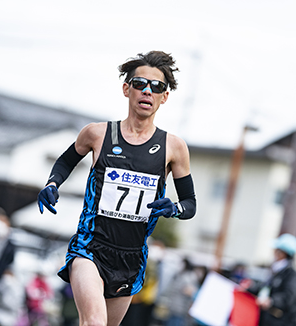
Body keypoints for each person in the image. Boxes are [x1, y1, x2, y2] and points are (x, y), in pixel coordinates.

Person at [37, 51, 197, 326]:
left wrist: (174, 208)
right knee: (94, 322)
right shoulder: (98, 134)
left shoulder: (174, 147)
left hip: (131, 258)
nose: (147, 91)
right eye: (140, 84)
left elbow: (190, 203)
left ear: (165, 96)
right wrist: (52, 183)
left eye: (156, 87)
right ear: (127, 89)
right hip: (91, 247)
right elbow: (65, 161)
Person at [257, 233, 296, 326]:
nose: (274, 253)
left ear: (282, 253)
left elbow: (289, 297)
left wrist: (272, 301)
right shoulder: (276, 271)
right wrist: (250, 287)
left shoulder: (291, 275)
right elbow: (265, 288)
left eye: (276, 250)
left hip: (280, 322)